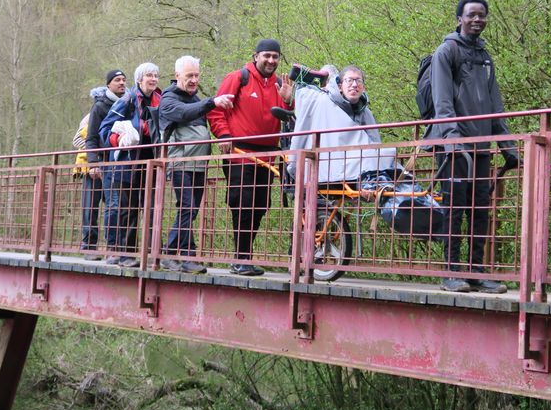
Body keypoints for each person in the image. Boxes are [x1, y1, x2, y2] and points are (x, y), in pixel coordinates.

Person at [427, 0, 519, 294]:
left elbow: (495, 106)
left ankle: (476, 272)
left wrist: (508, 146)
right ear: (460, 19)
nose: (477, 20)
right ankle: (452, 273)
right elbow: (442, 100)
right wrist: (452, 139)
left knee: (480, 209)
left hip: (480, 148)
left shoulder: (486, 58)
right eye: (471, 15)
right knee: (454, 208)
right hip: (454, 147)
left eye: (482, 15)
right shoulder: (446, 51)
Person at [208, 39, 293, 276]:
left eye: (275, 56)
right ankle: (241, 258)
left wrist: (288, 99)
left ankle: (245, 256)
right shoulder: (239, 77)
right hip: (240, 151)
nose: (271, 60)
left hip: (268, 154)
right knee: (243, 203)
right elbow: (216, 111)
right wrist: (224, 135)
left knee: (260, 205)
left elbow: (291, 118)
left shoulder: (280, 84)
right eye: (266, 55)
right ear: (255, 56)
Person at [158, 55, 234, 273]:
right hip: (180, 162)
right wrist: (211, 102)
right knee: (187, 207)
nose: (193, 80)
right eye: (189, 75)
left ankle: (177, 253)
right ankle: (180, 254)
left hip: (199, 164)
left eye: (196, 75)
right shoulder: (169, 98)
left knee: (190, 210)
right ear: (177, 76)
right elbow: (183, 113)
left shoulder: (196, 98)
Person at [99, 62, 162, 267]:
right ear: (139, 79)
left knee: (153, 208)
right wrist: (120, 140)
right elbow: (105, 130)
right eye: (149, 76)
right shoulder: (127, 99)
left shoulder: (160, 99)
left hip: (151, 163)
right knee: (129, 209)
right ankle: (126, 255)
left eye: (155, 75)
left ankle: (154, 256)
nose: (153, 79)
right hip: (128, 164)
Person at [288, 64, 396, 182]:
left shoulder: (364, 112)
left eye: (358, 81)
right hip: (330, 170)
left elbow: (375, 143)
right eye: (349, 80)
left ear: (364, 87)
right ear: (339, 86)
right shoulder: (321, 102)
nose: (354, 85)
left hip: (356, 169)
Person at [85, 70, 127, 260]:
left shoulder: (128, 104)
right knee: (92, 207)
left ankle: (116, 247)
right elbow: (91, 137)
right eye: (117, 80)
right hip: (100, 162)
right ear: (108, 84)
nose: (122, 83)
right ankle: (89, 247)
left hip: (117, 163)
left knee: (116, 205)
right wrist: (93, 163)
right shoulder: (100, 106)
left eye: (124, 80)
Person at [74, 86, 109, 260]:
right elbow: (78, 140)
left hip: (108, 166)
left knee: (110, 207)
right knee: (91, 208)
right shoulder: (90, 117)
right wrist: (96, 150)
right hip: (91, 168)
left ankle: (111, 247)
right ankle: (88, 246)